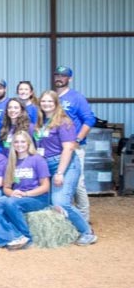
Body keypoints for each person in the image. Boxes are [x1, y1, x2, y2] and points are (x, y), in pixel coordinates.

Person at [34, 91, 97, 246]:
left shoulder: (64, 122)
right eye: (43, 101)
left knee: (61, 201)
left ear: (56, 103)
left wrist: (60, 173)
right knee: (48, 202)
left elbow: (68, 148)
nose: (46, 104)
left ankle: (87, 232)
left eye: (50, 101)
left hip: (64, 164)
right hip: (46, 164)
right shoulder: (40, 121)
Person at [0, 131, 53, 250]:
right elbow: (6, 187)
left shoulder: (37, 159)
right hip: (18, 196)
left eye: (23, 142)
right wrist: (12, 193)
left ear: (28, 143)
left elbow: (45, 187)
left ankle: (26, 237)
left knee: (10, 202)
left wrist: (26, 194)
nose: (19, 144)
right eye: (16, 142)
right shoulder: (11, 162)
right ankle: (8, 238)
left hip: (37, 197)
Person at [53, 65, 95, 222]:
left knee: (77, 183)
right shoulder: (53, 97)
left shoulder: (76, 97)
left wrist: (77, 139)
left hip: (74, 147)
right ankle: (65, 217)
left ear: (69, 79)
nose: (59, 78)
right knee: (60, 182)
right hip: (57, 148)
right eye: (57, 75)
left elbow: (89, 119)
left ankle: (84, 218)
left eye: (63, 76)